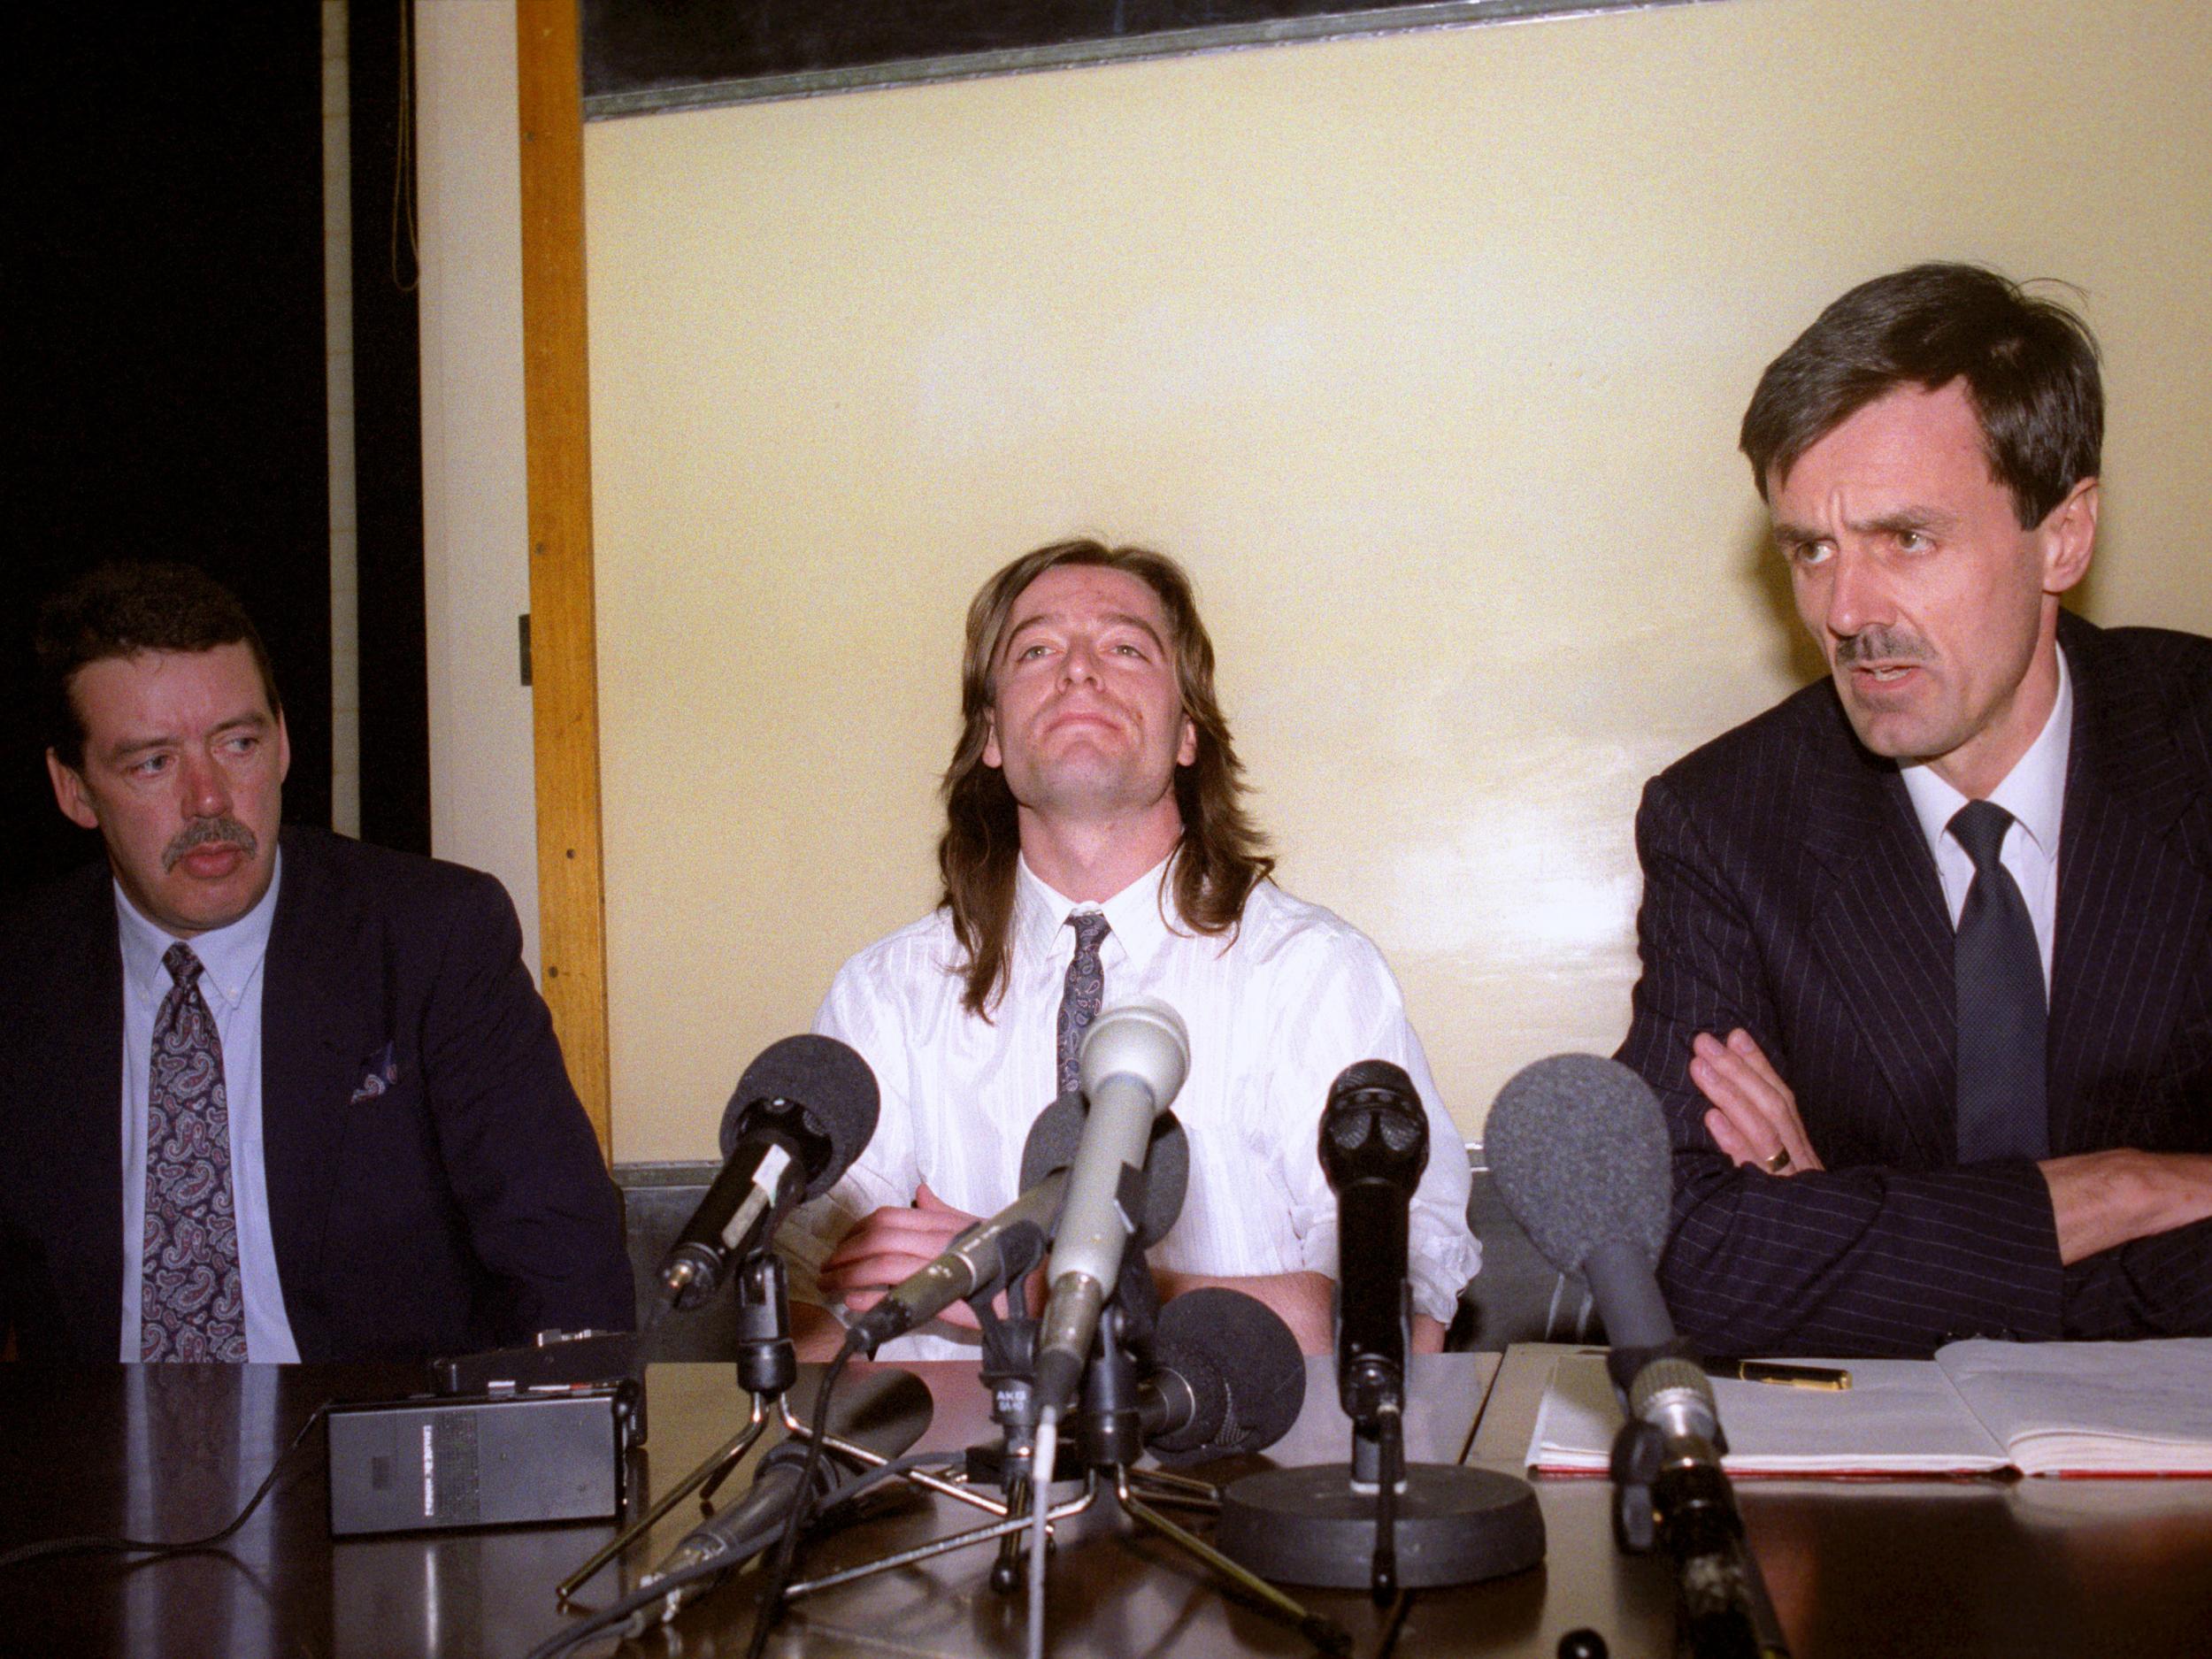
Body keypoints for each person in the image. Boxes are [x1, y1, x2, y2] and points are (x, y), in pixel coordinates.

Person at [1618, 264, 2212, 1357]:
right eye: (1810, 549)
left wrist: (1852, 1230)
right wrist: (2127, 1190)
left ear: (2064, 536)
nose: (1845, 612)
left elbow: (1777, 1272)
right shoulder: (1724, 823)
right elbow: (1690, 1263)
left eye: (1906, 539)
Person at [788, 540, 1478, 1361]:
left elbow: (1391, 1327)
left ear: (1188, 732)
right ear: (991, 736)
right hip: (951, 1484)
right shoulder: (885, 997)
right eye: (1037, 649)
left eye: (1125, 648)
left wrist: (1042, 1286)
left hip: (1241, 1483)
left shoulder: (1316, 977)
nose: (1079, 671)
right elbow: (813, 1324)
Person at [0, 561, 634, 1363]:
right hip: (97, 1468)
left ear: (285, 740)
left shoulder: (431, 938)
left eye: (238, 743)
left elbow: (564, 1260)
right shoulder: (25, 982)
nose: (209, 799)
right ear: (74, 789)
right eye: (153, 762)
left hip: (377, 1462)